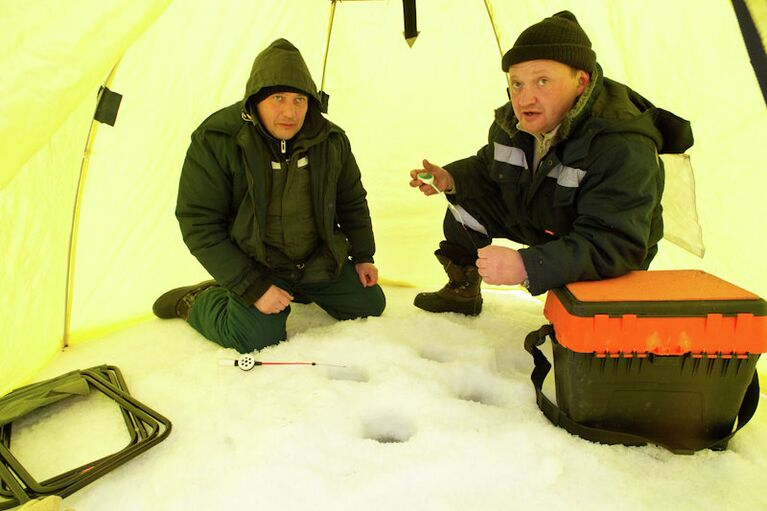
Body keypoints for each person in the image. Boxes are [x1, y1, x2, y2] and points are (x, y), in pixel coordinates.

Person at [409, 10, 693, 316]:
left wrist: (525, 264)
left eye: (542, 81)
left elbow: (614, 244)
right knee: (464, 205)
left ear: (581, 81)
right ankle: (462, 291)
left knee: (577, 326)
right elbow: (489, 166)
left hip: (606, 255)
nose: (524, 99)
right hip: (541, 220)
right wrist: (450, 179)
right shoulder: (513, 124)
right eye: (517, 84)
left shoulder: (622, 144)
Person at [153, 38, 386, 353]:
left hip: (316, 260)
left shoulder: (331, 140)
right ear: (255, 100)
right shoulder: (217, 139)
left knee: (370, 303)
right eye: (278, 98)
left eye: (299, 100)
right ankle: (197, 300)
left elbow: (352, 202)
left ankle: (300, 289)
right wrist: (252, 286)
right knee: (255, 339)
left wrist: (362, 255)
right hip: (258, 264)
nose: (289, 112)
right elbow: (199, 223)